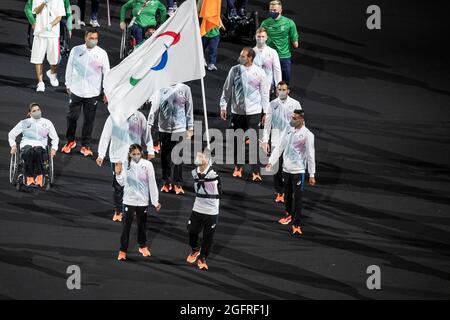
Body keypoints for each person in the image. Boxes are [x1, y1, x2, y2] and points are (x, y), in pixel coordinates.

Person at [220, 47, 269, 182]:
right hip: (237, 112)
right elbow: (227, 89)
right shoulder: (234, 70)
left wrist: (265, 112)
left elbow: (265, 93)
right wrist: (223, 106)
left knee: (254, 142)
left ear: (250, 58)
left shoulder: (259, 72)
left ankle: (256, 171)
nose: (239, 58)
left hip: (254, 112)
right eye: (240, 55)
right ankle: (238, 166)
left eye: (242, 56)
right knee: (236, 141)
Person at [97, 111, 155, 222]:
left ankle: (131, 208)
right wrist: (101, 154)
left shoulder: (139, 116)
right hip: (117, 157)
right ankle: (119, 210)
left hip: (134, 158)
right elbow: (106, 135)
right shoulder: (114, 116)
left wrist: (151, 149)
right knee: (118, 186)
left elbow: (146, 134)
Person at [266, 109, 316, 236]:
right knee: (287, 195)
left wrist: (312, 174)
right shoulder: (287, 129)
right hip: (286, 170)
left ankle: (296, 224)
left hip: (298, 171)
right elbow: (280, 146)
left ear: (301, 120)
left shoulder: (307, 135)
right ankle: (288, 215)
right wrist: (271, 161)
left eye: (294, 118)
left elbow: (311, 155)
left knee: (297, 198)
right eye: (291, 117)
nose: (291, 120)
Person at [62, 28, 110, 157]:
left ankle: (85, 145)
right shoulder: (76, 50)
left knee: (89, 120)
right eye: (91, 38)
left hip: (92, 93)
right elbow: (69, 67)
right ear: (85, 38)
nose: (94, 40)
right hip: (76, 91)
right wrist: (68, 84)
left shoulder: (102, 54)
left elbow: (107, 73)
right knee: (72, 117)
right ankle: (70, 141)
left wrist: (107, 91)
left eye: (96, 38)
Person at [115, 144, 161, 261]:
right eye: (133, 154)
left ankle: (142, 246)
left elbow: (152, 183)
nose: (136, 156)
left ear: (142, 153)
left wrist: (155, 202)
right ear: (130, 154)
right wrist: (118, 173)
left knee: (142, 225)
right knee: (126, 227)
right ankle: (122, 250)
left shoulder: (147, 165)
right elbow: (121, 183)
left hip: (142, 201)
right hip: (129, 201)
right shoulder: (125, 165)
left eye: (138, 154)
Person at [147, 83, 194, 195]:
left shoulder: (185, 89)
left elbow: (189, 109)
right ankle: (167, 182)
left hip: (180, 129)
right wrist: (149, 124)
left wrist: (191, 127)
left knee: (178, 157)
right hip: (164, 129)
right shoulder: (160, 88)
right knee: (165, 157)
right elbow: (154, 108)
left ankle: (178, 183)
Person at [262, 81, 301, 203]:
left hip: (291, 140)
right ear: (277, 90)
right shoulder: (272, 104)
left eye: (284, 89)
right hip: (276, 140)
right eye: (279, 89)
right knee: (277, 168)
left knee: (289, 167)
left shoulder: (295, 104)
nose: (281, 92)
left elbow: (300, 122)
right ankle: (279, 191)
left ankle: (289, 191)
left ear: (288, 91)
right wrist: (265, 140)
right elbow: (267, 124)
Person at [8, 103, 59, 187]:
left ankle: (40, 176)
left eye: (38, 110)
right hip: (26, 144)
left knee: (37, 151)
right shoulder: (24, 123)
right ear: (29, 113)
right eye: (34, 111)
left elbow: (55, 138)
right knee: (29, 151)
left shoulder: (47, 122)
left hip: (41, 145)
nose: (37, 112)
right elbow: (11, 135)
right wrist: (13, 146)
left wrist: (54, 148)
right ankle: (29, 177)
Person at [186, 151, 221, 271]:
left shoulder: (214, 173)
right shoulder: (194, 172)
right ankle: (195, 249)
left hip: (211, 210)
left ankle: (203, 257)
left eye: (201, 157)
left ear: (207, 159)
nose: (197, 158)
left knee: (208, 236)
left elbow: (219, 190)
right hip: (198, 207)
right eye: (197, 156)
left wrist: (210, 168)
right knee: (191, 230)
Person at [30, 0, 66, 92]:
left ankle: (52, 73)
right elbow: (36, 11)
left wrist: (51, 25)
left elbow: (59, 17)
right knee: (38, 59)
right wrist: (43, 3)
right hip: (39, 33)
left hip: (53, 34)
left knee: (54, 60)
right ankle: (40, 82)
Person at [260, 0, 299, 84]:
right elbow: (260, 39)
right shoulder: (265, 23)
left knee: (284, 83)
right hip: (269, 56)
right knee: (268, 82)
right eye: (270, 10)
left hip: (283, 57)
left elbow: (295, 42)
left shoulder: (289, 23)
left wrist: (294, 42)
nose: (272, 12)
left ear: (280, 10)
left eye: (274, 10)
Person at [253, 27, 282, 100]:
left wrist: (279, 87)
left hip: (268, 87)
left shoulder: (272, 52)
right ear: (255, 37)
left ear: (266, 38)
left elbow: (277, 70)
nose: (261, 38)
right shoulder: (251, 52)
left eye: (263, 36)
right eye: (259, 36)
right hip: (253, 87)